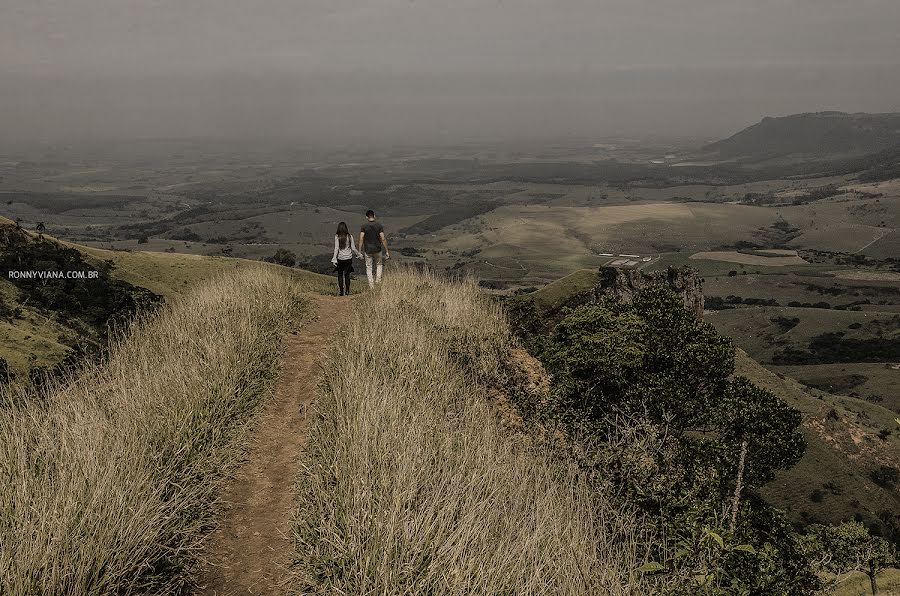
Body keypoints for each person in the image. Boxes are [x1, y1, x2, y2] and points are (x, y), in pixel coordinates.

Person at [358, 209, 390, 289]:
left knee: (369, 268)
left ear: (366, 217)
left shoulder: (364, 226)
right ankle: (378, 282)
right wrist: (387, 251)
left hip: (368, 250)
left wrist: (359, 251)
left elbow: (361, 239)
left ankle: (371, 287)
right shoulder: (379, 226)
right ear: (374, 216)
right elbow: (383, 238)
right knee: (379, 265)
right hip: (377, 249)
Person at [331, 221, 361, 296]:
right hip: (348, 258)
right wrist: (359, 254)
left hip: (340, 258)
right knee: (347, 275)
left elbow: (336, 248)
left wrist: (334, 258)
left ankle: (341, 291)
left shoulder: (337, 236)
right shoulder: (350, 236)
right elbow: (353, 248)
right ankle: (347, 291)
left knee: (340, 274)